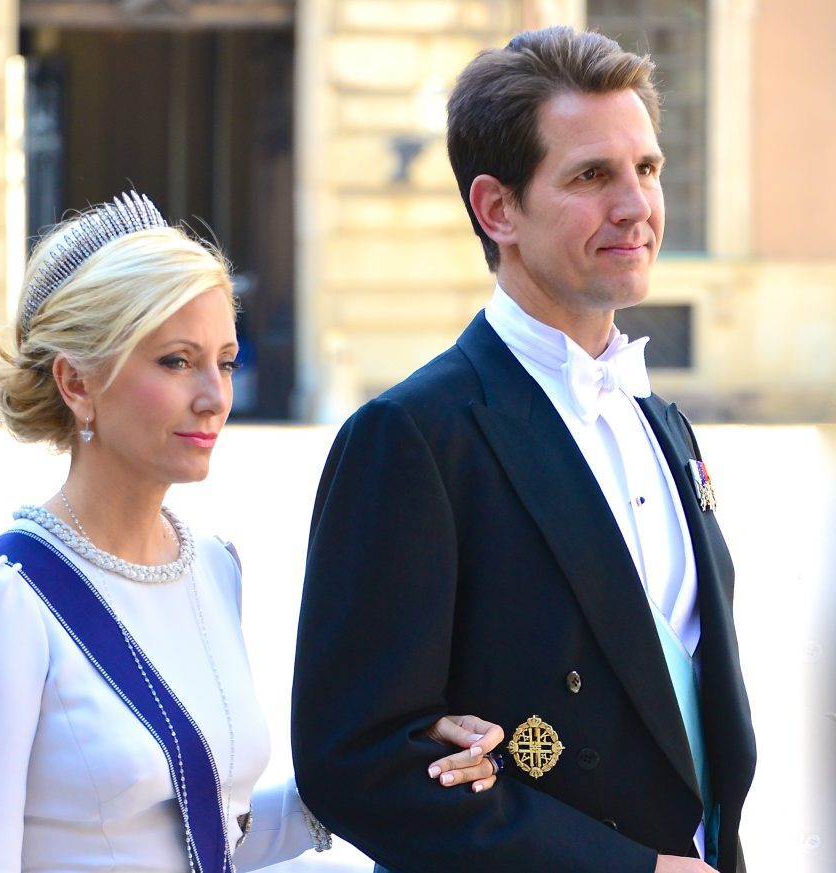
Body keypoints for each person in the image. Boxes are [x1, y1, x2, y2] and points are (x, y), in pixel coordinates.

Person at [0, 191, 503, 873]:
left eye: (225, 360)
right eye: (175, 361)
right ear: (77, 382)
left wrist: (391, 764)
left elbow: (211, 834)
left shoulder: (212, 568)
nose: (215, 395)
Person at [292, 27, 755, 873]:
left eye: (646, 169)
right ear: (497, 209)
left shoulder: (665, 424)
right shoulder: (413, 438)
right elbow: (352, 761)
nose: (635, 206)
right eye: (590, 176)